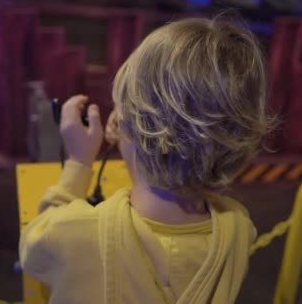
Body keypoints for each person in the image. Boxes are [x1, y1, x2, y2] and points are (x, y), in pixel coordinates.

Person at [19, 17, 273, 303]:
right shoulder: (238, 229)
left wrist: (78, 162)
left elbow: (34, 249)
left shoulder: (73, 233)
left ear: (124, 124)